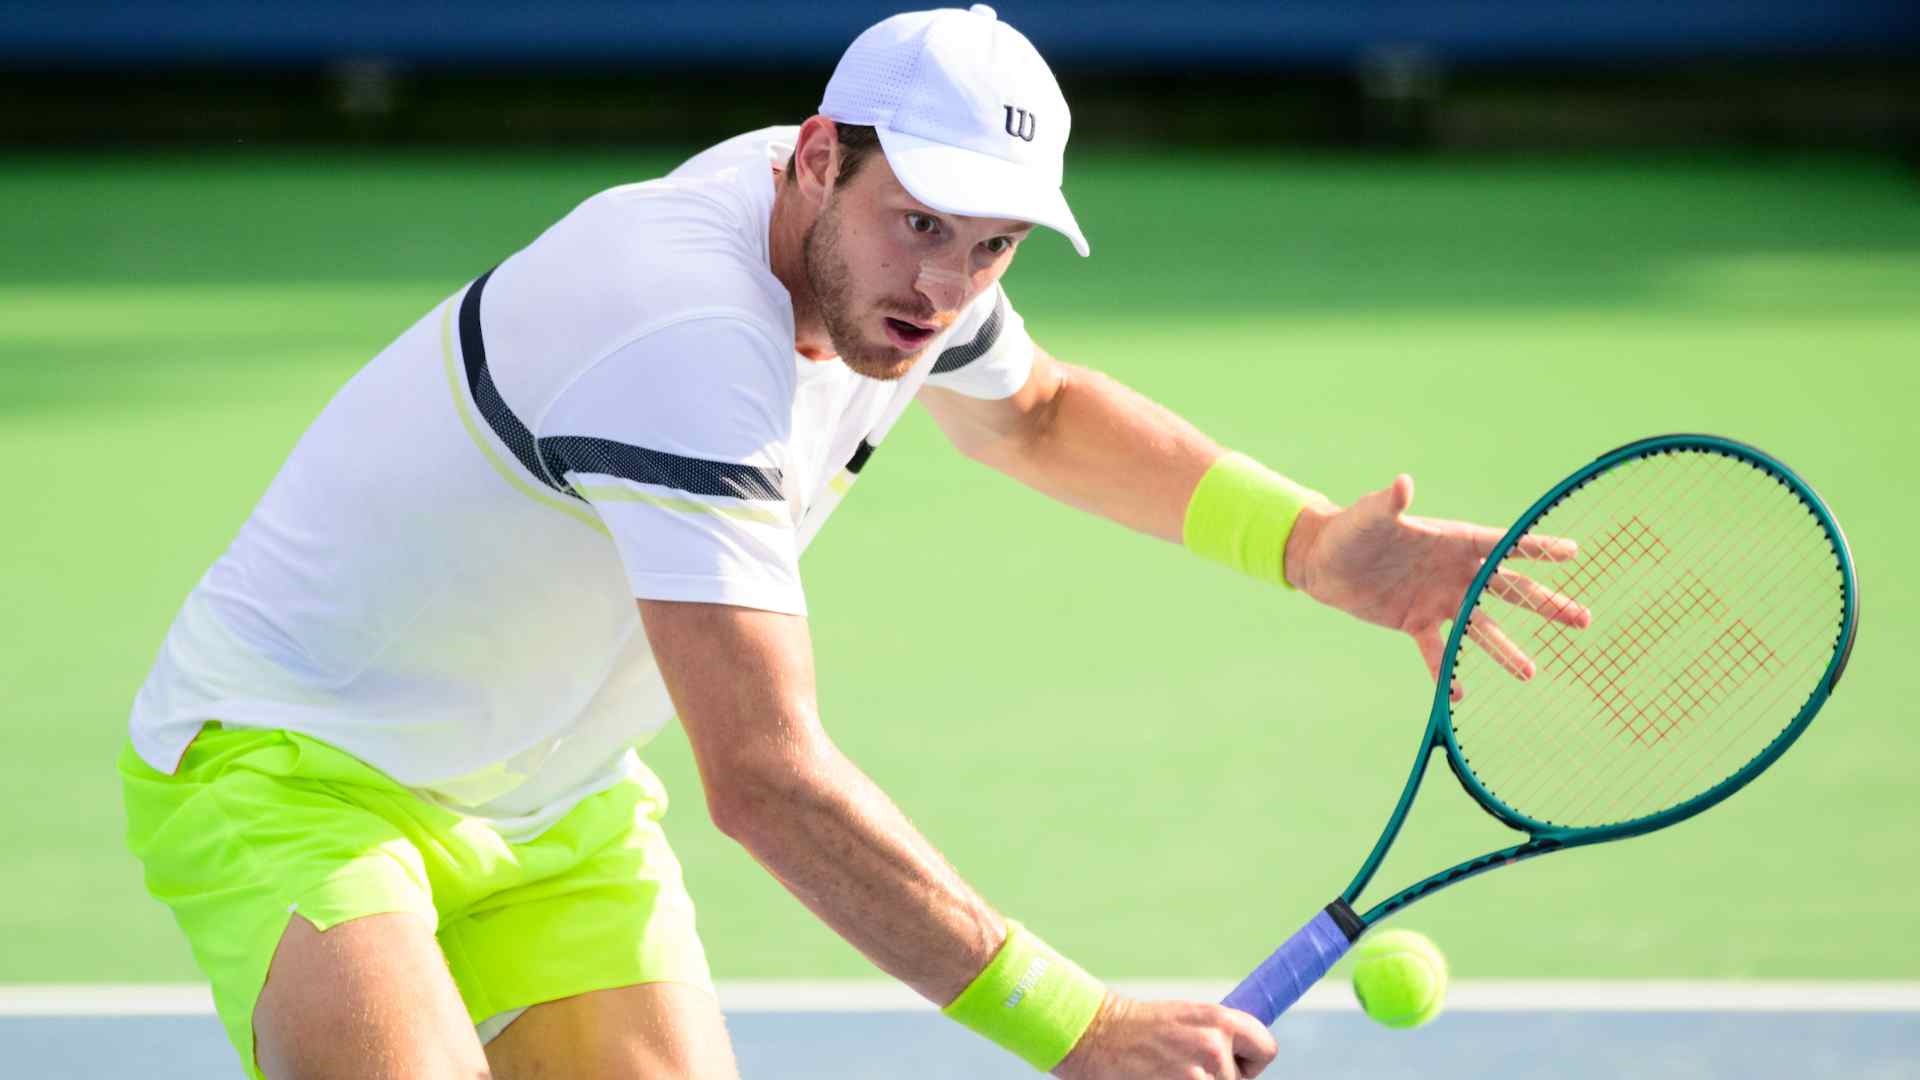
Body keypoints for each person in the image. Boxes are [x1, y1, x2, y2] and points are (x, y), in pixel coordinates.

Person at [120, 6, 1583, 1078]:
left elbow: (1039, 412)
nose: (946, 287)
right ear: (818, 158)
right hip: (299, 775)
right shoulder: (690, 337)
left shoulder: (868, 247)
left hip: (553, 806)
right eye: (925, 228)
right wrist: (1073, 1023)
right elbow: (763, 779)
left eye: (994, 246)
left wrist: (1308, 543)